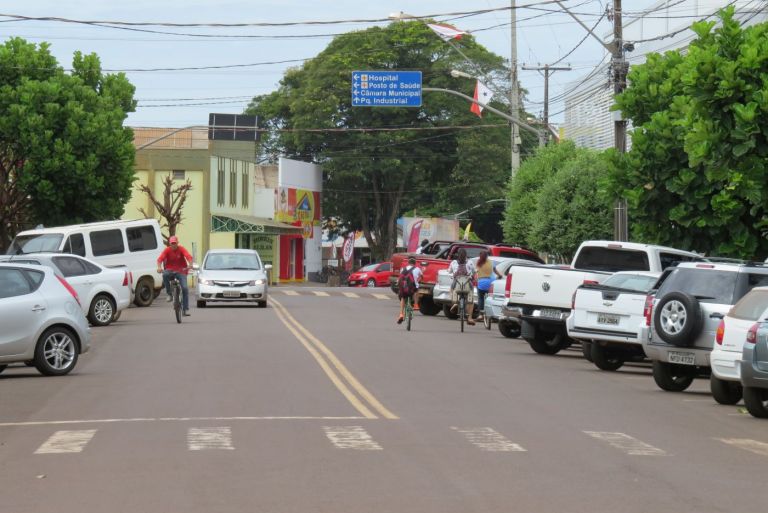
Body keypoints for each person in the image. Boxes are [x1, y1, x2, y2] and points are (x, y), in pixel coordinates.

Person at [156, 235, 193, 316]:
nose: (173, 245)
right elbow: (160, 259)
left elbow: (188, 256)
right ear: (170, 244)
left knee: (185, 288)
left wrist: (190, 264)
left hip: (181, 271)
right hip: (170, 270)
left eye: (175, 243)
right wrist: (159, 267)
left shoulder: (181, 249)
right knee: (165, 274)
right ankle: (169, 294)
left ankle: (185, 309)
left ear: (177, 243)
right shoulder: (167, 250)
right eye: (172, 243)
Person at [448, 248, 477, 325]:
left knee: (451, 290)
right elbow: (474, 272)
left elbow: (449, 271)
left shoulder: (453, 262)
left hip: (456, 284)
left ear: (457, 255)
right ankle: (470, 318)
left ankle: (455, 303)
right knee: (470, 301)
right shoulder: (470, 262)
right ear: (466, 255)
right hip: (468, 284)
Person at [475, 251, 501, 321]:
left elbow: (476, 273)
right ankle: (490, 313)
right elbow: (495, 271)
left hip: (481, 284)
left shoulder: (478, 262)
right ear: (487, 256)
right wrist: (500, 275)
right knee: (490, 298)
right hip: (490, 283)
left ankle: (480, 314)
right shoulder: (491, 262)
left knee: (480, 298)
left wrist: (476, 281)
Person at [397, 256, 423, 324]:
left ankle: (401, 314)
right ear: (415, 263)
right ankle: (416, 304)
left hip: (404, 288)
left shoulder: (403, 269)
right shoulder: (418, 269)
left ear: (408, 263)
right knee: (416, 290)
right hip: (412, 289)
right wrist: (417, 281)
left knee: (403, 298)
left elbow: (400, 278)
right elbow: (421, 277)